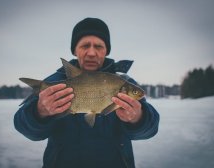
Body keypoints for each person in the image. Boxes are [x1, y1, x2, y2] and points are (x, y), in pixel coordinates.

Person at [14, 17, 160, 168]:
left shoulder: (123, 82)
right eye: (85, 45)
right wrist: (39, 112)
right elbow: (24, 127)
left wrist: (138, 118)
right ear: (75, 50)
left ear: (106, 51)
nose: (91, 52)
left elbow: (151, 129)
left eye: (98, 46)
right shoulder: (55, 82)